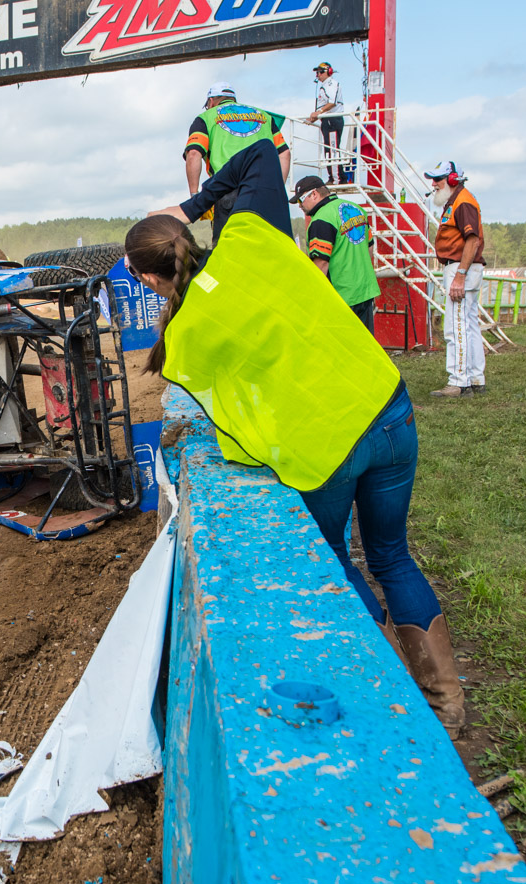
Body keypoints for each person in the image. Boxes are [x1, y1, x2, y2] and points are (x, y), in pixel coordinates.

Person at [132, 139, 469, 735]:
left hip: (327, 447)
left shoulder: (180, 340)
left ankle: (401, 705)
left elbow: (237, 429)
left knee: (338, 558)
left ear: (146, 277)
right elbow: (262, 152)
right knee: (392, 554)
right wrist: (192, 205)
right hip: (388, 405)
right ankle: (447, 702)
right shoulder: (249, 237)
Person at [183, 83, 293, 246]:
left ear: (211, 101)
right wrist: (275, 189)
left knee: (227, 248)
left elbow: (193, 154)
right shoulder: (264, 116)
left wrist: (195, 196)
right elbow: (285, 154)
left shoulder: (206, 118)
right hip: (263, 191)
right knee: (263, 247)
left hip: (227, 190)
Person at [425, 161, 486, 397]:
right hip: (464, 267)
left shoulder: (462, 201)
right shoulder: (459, 200)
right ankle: (475, 377)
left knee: (456, 327)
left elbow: (472, 240)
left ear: (452, 179)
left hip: (461, 267)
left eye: (438, 179)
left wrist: (460, 275)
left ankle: (459, 382)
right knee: (469, 325)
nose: (434, 184)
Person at [295, 175, 379, 327]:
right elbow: (369, 248)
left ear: (314, 194)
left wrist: (311, 301)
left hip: (342, 296)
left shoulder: (321, 219)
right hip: (365, 291)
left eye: (300, 200)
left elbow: (321, 264)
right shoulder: (357, 209)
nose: (299, 206)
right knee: (362, 340)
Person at [305, 62, 349, 184]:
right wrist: (313, 118)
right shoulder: (326, 85)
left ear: (328, 72)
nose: (318, 75)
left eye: (320, 72)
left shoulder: (331, 84)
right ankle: (336, 177)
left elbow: (332, 102)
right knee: (329, 150)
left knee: (332, 150)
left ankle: (336, 179)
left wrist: (319, 112)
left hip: (332, 120)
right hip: (327, 120)